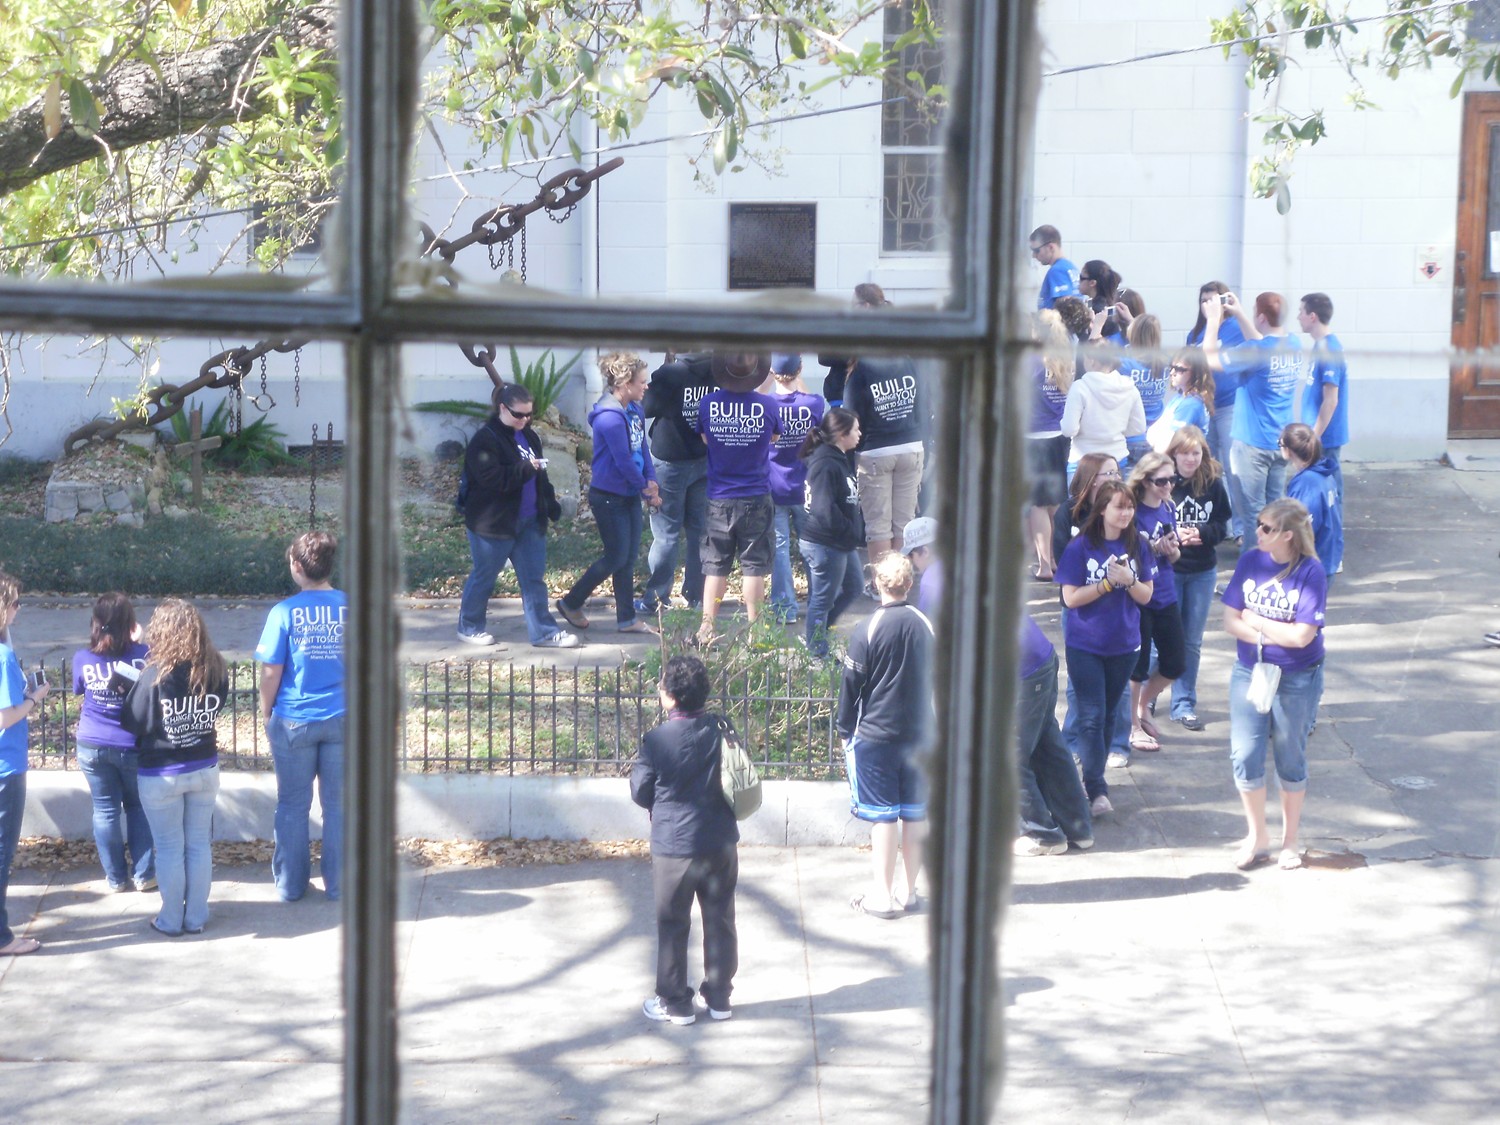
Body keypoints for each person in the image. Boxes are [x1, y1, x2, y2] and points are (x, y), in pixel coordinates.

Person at [631, 654, 740, 1026]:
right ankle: (720, 997)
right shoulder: (721, 728)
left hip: (674, 845)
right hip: (720, 840)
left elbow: (640, 790)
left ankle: (676, 1002)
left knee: (674, 923)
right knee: (720, 918)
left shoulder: (657, 740)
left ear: (671, 698)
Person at [1221, 498, 1328, 872]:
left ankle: (1290, 840)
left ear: (1287, 535)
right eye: (1259, 525)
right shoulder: (1251, 560)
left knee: (1290, 757)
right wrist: (1268, 634)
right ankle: (1257, 836)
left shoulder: (1311, 571)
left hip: (1296, 677)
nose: (1258, 532)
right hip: (1250, 670)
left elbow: (1302, 637)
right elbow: (1230, 620)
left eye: (1266, 528)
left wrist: (1258, 622)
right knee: (1245, 754)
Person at [123, 599, 228, 936]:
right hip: (203, 766)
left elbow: (134, 721)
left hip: (162, 772)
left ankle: (170, 919)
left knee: (169, 847)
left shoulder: (154, 675)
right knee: (198, 844)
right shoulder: (216, 669)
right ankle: (196, 917)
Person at [838, 553, 933, 918]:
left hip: (877, 736)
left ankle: (882, 894)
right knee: (914, 815)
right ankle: (908, 892)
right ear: (909, 584)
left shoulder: (868, 629)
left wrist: (845, 728)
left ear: (878, 584)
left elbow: (852, 684)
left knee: (883, 817)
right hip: (922, 736)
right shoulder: (925, 624)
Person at [1054, 481, 1156, 814]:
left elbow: (1147, 596)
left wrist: (1129, 582)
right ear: (1102, 510)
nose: (1126, 513)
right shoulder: (1080, 547)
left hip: (1125, 645)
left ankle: (1093, 782)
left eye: (1130, 507)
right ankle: (1095, 787)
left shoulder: (1139, 545)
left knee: (1110, 714)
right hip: (1085, 644)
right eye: (1119, 507)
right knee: (1092, 717)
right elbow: (1070, 599)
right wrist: (1107, 584)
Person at [256, 531, 347, 903]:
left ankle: (291, 884)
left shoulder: (283, 613)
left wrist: (266, 712)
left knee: (292, 805)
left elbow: (271, 672)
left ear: (297, 566)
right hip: (343, 716)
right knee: (338, 806)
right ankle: (339, 884)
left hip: (294, 718)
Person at [458, 382, 578, 649]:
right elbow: (494, 480)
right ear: (502, 408)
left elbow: (540, 478)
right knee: (484, 576)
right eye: (518, 414)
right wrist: (525, 468)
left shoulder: (530, 436)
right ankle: (469, 626)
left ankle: (544, 632)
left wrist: (549, 503)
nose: (524, 420)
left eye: (529, 415)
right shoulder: (485, 440)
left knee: (533, 579)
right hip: (493, 525)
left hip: (529, 521)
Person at [555, 353, 662, 634]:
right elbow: (623, 460)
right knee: (616, 557)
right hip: (608, 497)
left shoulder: (635, 410)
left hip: (629, 493)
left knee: (626, 559)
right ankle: (571, 602)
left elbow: (642, 450)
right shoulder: (609, 419)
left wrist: (651, 480)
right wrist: (646, 489)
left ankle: (626, 619)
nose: (646, 386)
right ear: (625, 383)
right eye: (642, 382)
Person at [1051, 453, 1132, 770]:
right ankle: (1073, 742)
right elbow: (1061, 559)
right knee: (1077, 684)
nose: (1114, 477)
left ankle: (1117, 744)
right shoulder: (1068, 512)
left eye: (1116, 471)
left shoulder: (1124, 510)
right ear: (1088, 478)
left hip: (1117, 610)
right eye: (1105, 472)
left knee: (1118, 685)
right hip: (1078, 608)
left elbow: (1132, 555)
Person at [1204, 290, 1304, 543]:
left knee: (1254, 517)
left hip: (1252, 445)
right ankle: (1277, 563)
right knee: (1275, 513)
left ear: (1260, 316)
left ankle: (1253, 571)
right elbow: (1261, 343)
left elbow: (1210, 359)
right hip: (1280, 442)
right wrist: (1238, 314)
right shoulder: (1292, 343)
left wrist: (1213, 320)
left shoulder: (1256, 350)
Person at [72, 592, 154, 893]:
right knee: (137, 808)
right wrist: (139, 639)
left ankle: (116, 878)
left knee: (105, 811)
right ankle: (144, 874)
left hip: (92, 743)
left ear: (96, 623)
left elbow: (79, 689)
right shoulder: (144, 654)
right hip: (131, 743)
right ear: (130, 623)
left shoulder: (83, 658)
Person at [697, 353, 779, 645]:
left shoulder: (707, 404)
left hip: (719, 495)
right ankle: (756, 631)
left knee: (715, 565)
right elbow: (774, 438)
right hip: (756, 493)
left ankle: (707, 628)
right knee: (753, 566)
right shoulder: (768, 404)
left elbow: (705, 438)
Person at [1164, 425, 1232, 731]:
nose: (1191, 459)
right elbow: (1146, 521)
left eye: (1196, 453)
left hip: (1202, 572)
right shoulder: (1163, 483)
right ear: (1174, 454)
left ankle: (1183, 703)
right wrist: (1172, 536)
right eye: (1185, 453)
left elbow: (1222, 526)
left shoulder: (1214, 484)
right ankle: (1148, 695)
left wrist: (1201, 533)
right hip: (1170, 571)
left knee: (1191, 641)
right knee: (1161, 638)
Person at [640, 351, 716, 614]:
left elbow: (647, 407)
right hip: (703, 456)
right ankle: (695, 596)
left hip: (670, 458)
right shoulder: (720, 369)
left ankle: (656, 599)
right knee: (699, 532)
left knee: (666, 534)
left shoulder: (671, 374)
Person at [1014, 613, 1092, 856]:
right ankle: (1078, 828)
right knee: (1047, 744)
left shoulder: (934, 585)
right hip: (1041, 658)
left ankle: (1043, 835)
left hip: (1022, 671)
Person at [1126, 453, 1186, 752]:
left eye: (1172, 479)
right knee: (1137, 667)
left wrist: (1170, 549)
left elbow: (1174, 557)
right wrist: (1152, 546)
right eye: (1161, 481)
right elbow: (1126, 552)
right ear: (1145, 481)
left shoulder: (1168, 507)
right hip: (1140, 597)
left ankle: (1142, 704)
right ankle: (1133, 726)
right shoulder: (1132, 512)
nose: (1168, 486)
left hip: (1165, 592)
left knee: (1176, 661)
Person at [0, 572, 46, 955]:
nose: (18, 610)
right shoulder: (1, 656)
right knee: (1, 854)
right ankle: (2, 937)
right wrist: (34, 699)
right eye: (15, 603)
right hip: (5, 767)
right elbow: (4, 716)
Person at [843, 353, 928, 561]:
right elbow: (922, 407)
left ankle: (882, 584)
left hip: (875, 451)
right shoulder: (909, 362)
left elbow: (851, 417)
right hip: (911, 447)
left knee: (878, 527)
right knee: (904, 524)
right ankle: (900, 581)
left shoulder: (861, 371)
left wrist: (851, 458)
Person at [799, 407, 866, 657]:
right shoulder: (825, 463)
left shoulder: (838, 457)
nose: (860, 434)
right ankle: (816, 651)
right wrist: (850, 531)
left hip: (841, 543)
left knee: (854, 587)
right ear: (841, 434)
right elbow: (823, 509)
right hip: (825, 544)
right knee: (822, 599)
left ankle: (819, 633)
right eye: (856, 429)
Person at [765, 353, 824, 624]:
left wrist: (768, 379)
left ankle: (784, 608)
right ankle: (818, 605)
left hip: (773, 484)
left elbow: (753, 395)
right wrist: (797, 378)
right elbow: (814, 406)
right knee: (812, 547)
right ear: (799, 370)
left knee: (779, 548)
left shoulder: (764, 404)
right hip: (805, 486)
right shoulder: (813, 403)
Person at [1027, 309, 1073, 579]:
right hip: (1059, 437)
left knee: (1037, 504)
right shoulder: (1065, 358)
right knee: (1055, 502)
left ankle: (1045, 564)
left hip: (1034, 438)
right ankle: (1056, 558)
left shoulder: (1031, 361)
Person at [1059, 341, 1146, 482]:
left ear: (1091, 360)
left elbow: (1069, 430)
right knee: (1113, 504)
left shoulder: (1080, 388)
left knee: (1079, 504)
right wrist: (1115, 432)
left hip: (1083, 462)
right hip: (1116, 461)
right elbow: (1139, 427)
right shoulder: (1129, 388)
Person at [1186, 280, 1246, 475]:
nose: (1207, 306)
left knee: (1232, 465)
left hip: (1229, 405)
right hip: (1204, 405)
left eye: (1211, 301)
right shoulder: (1195, 334)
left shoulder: (1235, 328)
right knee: (1208, 464)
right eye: (1203, 301)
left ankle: (1235, 506)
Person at [1297, 291, 1349, 500]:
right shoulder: (1321, 346)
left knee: (1329, 491)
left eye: (1301, 311)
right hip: (1319, 436)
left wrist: (1314, 437)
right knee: (1319, 490)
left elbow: (1331, 400)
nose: (1298, 316)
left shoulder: (1329, 349)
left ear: (1312, 316)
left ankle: (1333, 531)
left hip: (1324, 439)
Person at [1281, 423, 1343, 581]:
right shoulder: (1324, 473)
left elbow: (1301, 528)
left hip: (1310, 569)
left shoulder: (1306, 484)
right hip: (1328, 559)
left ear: (1288, 450)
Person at [1117, 313, 1168, 461]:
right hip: (1156, 435)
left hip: (1131, 436)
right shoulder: (1165, 362)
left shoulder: (1124, 365)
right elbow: (1148, 335)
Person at [1149, 347, 1214, 452]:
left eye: (1179, 369)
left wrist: (1157, 440)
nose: (1172, 373)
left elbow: (1168, 444)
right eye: (1171, 367)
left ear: (1196, 373)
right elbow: (1152, 431)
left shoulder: (1191, 404)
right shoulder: (1180, 398)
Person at [1030, 224, 1081, 309]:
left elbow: (1066, 310)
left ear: (1050, 247)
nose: (1033, 255)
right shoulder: (1070, 267)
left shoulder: (1057, 271)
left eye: (1036, 251)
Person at [903, 515, 942, 620]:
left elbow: (927, 624)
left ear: (925, 552)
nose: (910, 561)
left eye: (911, 555)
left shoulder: (929, 581)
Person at [1079, 259, 1125, 342]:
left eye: (1081, 278)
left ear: (1092, 283)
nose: (1078, 282)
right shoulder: (1108, 307)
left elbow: (1087, 349)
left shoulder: (1096, 312)